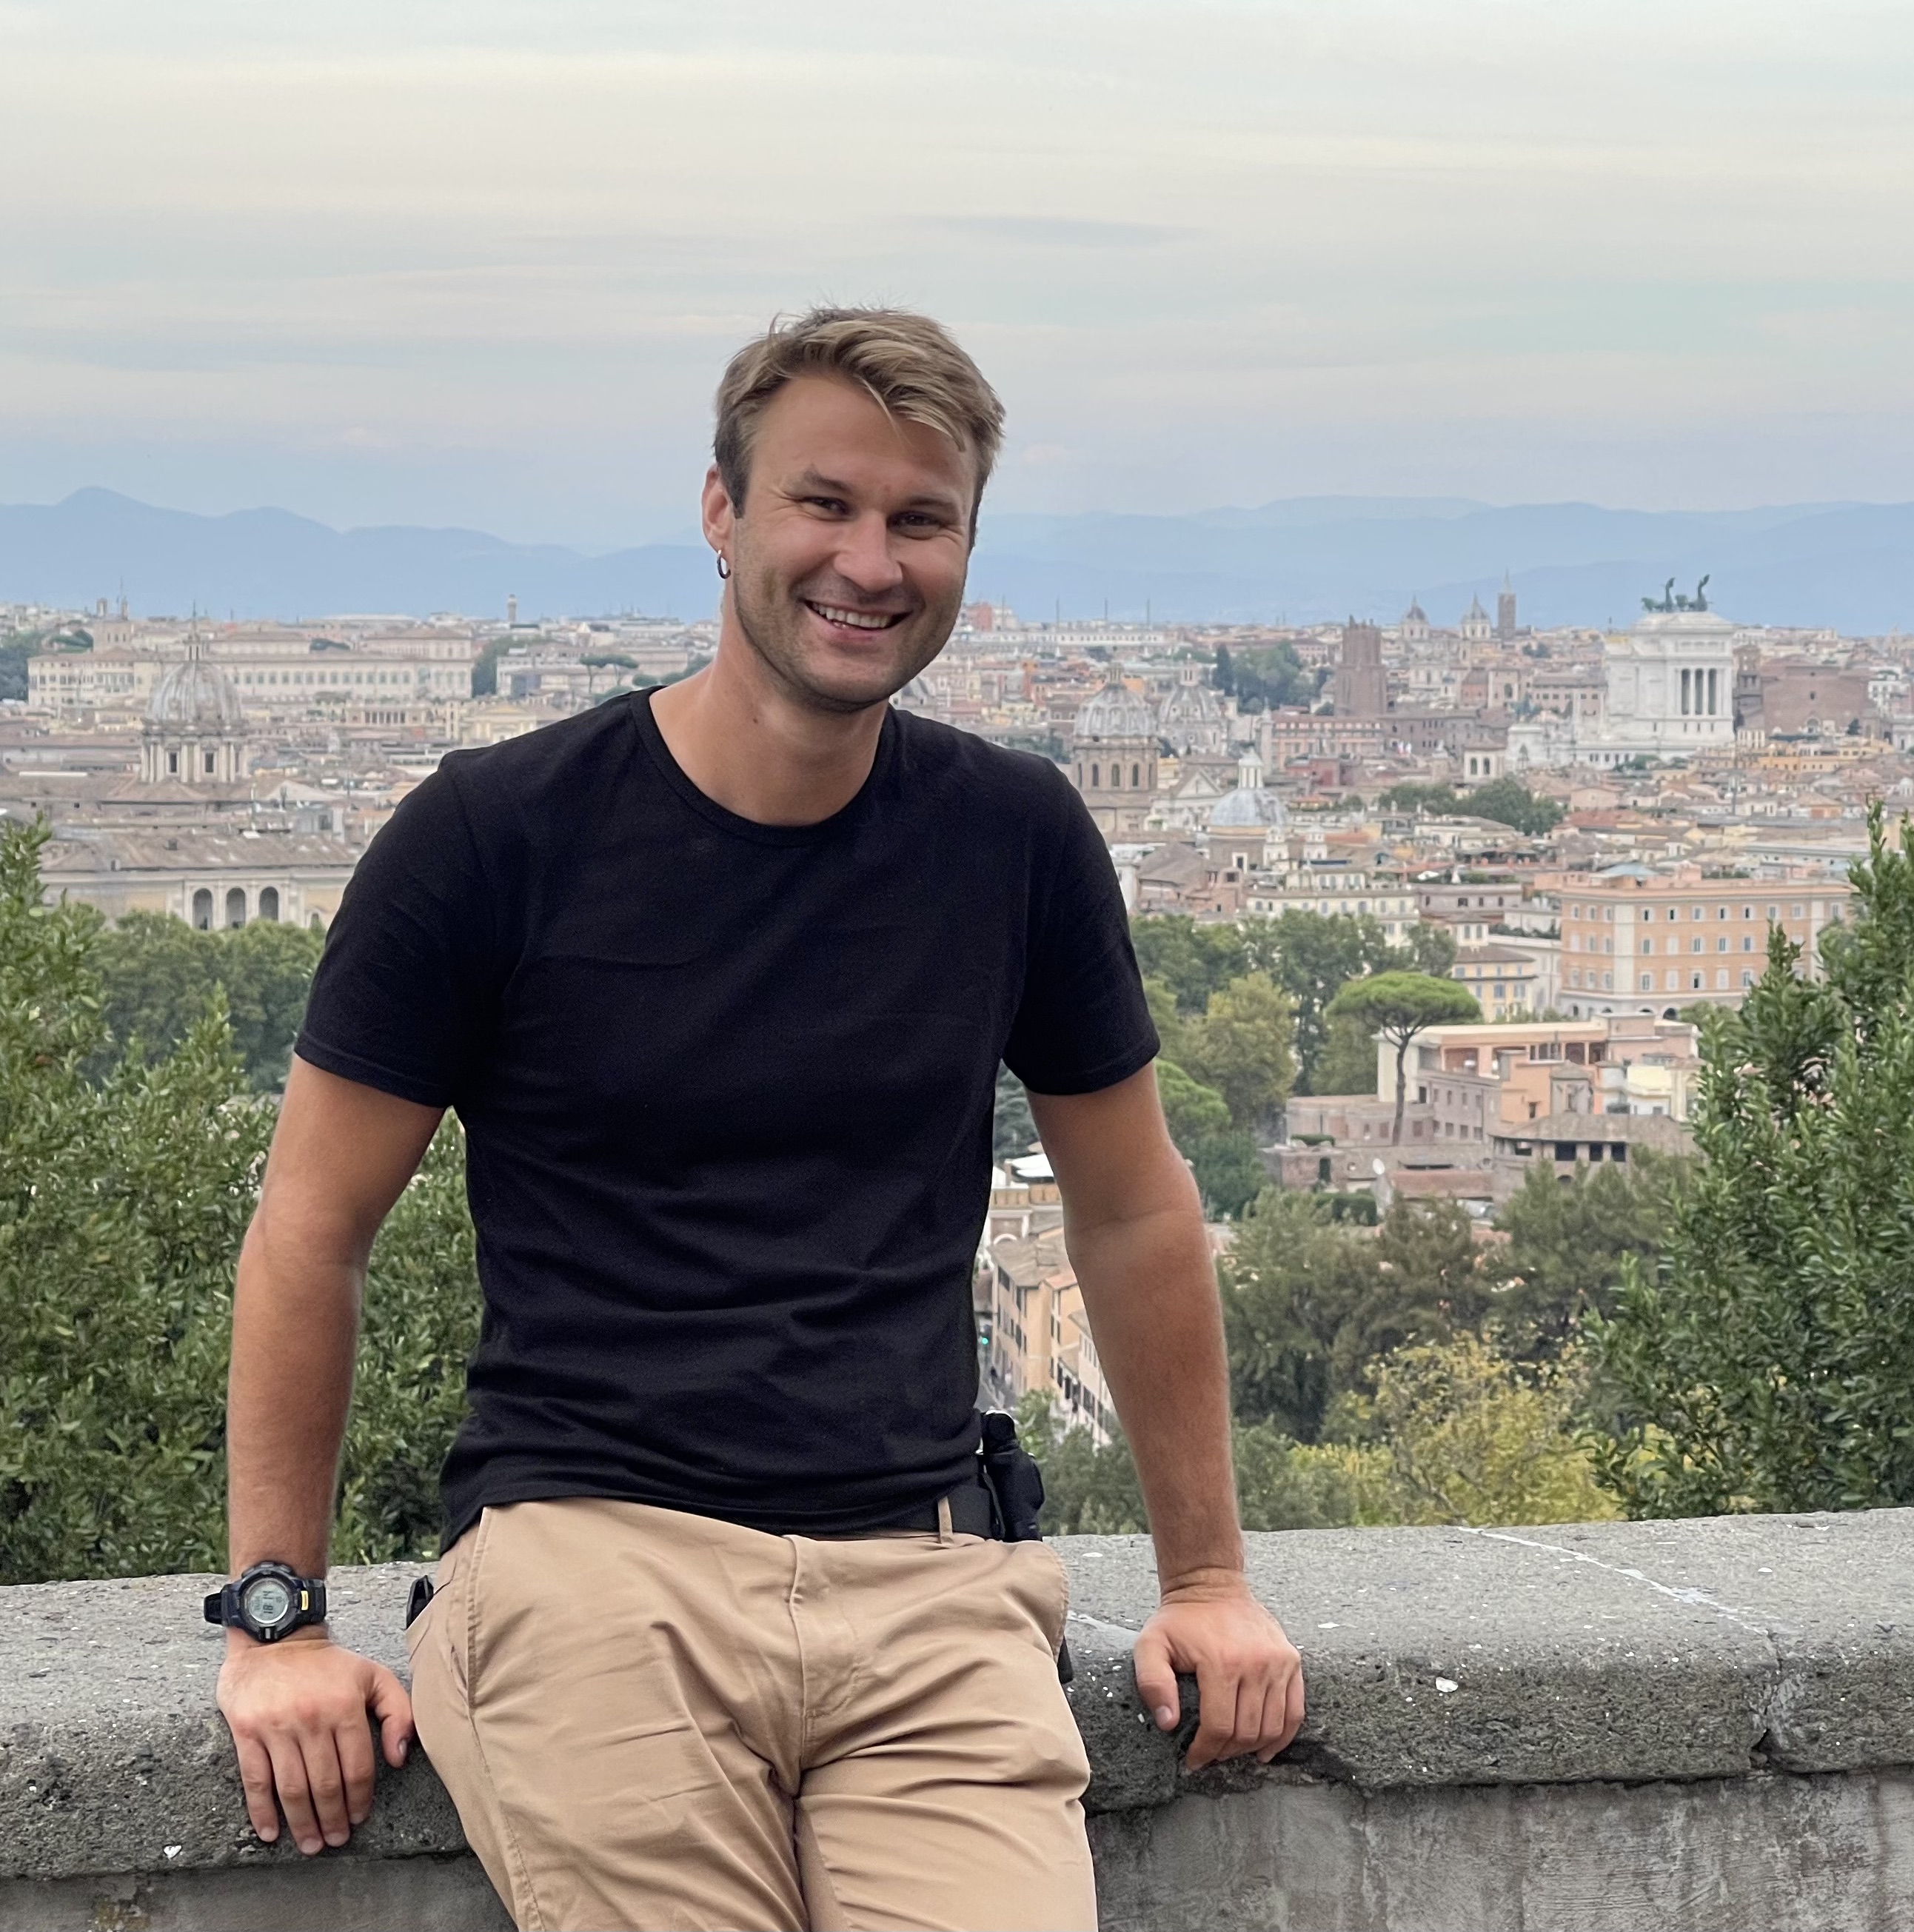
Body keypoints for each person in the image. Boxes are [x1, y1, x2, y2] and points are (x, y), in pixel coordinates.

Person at [213, 307, 1304, 1932]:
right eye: (825, 503)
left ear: (967, 549)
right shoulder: (492, 836)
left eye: (920, 519)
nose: (869, 561)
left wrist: (1208, 1581)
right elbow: (311, 1226)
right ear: (722, 512)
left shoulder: (1014, 838)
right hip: (591, 1565)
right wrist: (278, 1619)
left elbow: (1136, 1207)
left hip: (928, 1585)